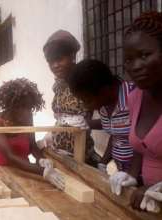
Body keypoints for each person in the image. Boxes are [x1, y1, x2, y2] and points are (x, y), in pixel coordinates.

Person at [109, 11, 162, 213]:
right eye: (129, 59)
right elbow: (142, 148)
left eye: (145, 55)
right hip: (150, 207)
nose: (136, 66)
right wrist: (131, 175)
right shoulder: (135, 98)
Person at [0, 78, 65, 190]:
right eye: (22, 107)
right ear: (10, 104)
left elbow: (33, 146)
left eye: (29, 107)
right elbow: (10, 156)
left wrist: (42, 160)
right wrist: (43, 171)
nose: (26, 112)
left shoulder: (28, 117)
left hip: (23, 167)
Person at [43, 30, 101, 166]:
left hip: (80, 153)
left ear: (72, 56)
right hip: (59, 151)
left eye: (59, 59)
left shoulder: (85, 79)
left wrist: (87, 123)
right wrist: (51, 132)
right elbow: (61, 116)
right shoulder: (59, 84)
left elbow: (111, 120)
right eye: (51, 62)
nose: (55, 65)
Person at [67, 59, 134, 173]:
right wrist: (103, 163)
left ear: (104, 90)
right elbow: (115, 135)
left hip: (145, 173)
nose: (86, 106)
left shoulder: (134, 96)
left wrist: (134, 174)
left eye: (87, 100)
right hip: (124, 170)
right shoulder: (104, 105)